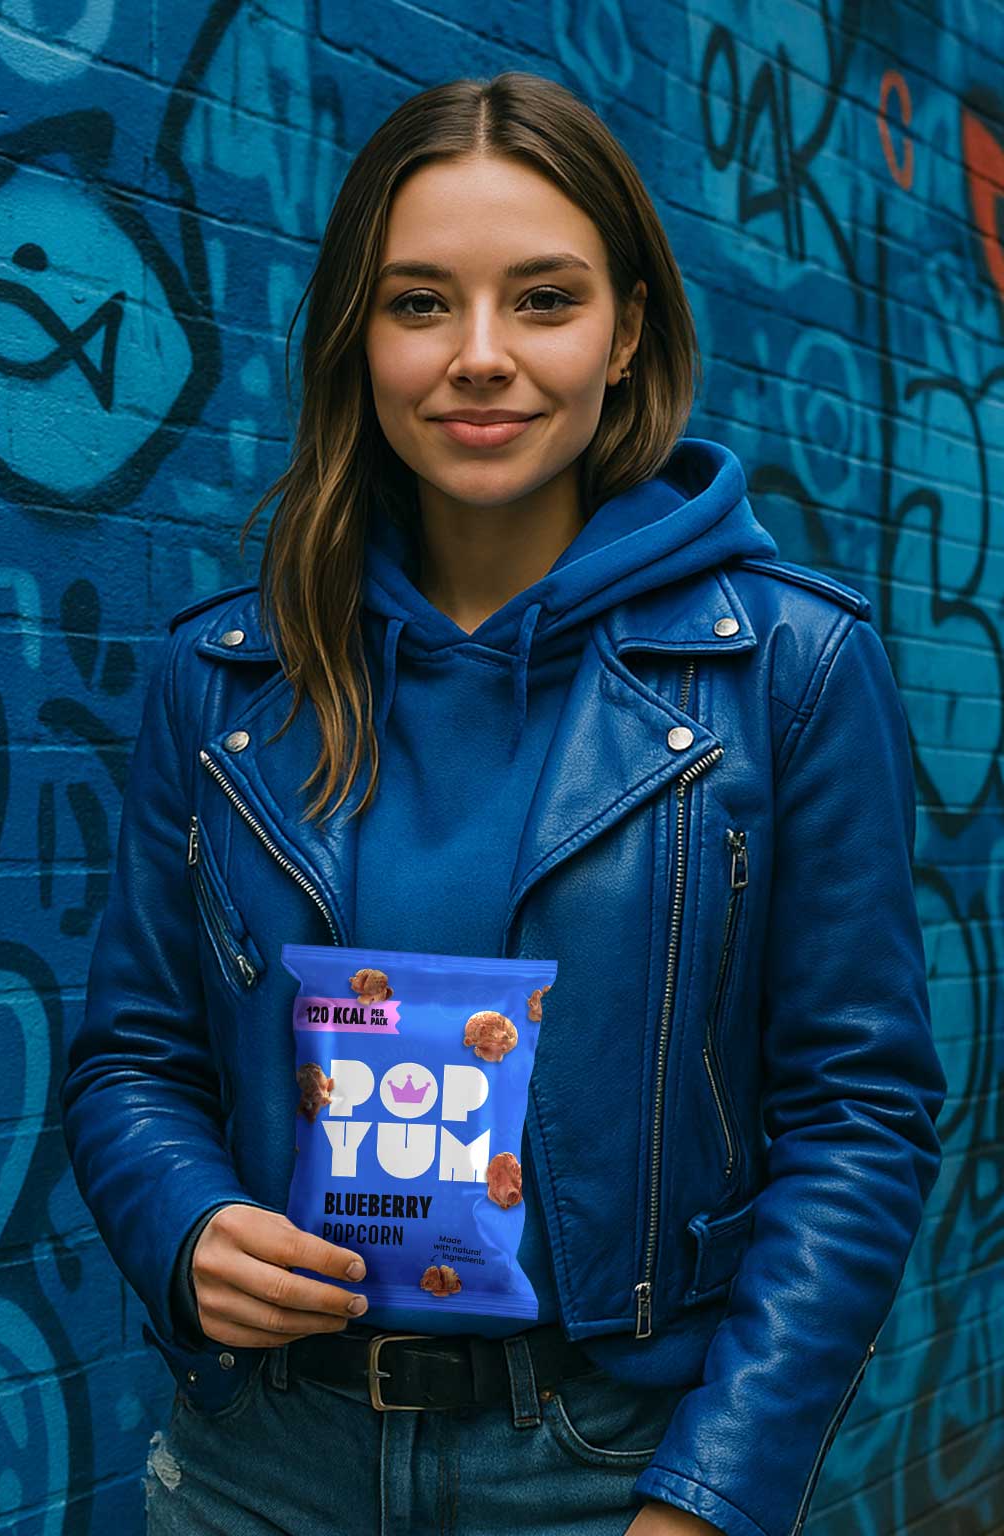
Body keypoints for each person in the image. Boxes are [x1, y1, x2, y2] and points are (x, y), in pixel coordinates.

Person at [60, 71, 947, 1536]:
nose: (480, 357)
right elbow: (131, 1061)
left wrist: (712, 1494)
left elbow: (858, 1114)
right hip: (261, 1466)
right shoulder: (222, 681)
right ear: (359, 335)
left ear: (627, 330)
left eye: (542, 300)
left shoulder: (789, 667)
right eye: (421, 304)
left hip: (605, 1472)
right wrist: (186, 1224)